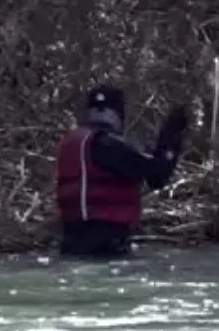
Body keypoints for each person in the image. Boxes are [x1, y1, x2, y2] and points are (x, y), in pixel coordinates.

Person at [54, 84, 189, 258]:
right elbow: (157, 175)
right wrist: (172, 133)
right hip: (105, 243)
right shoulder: (107, 145)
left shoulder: (72, 142)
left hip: (71, 240)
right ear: (118, 113)